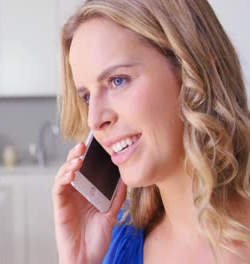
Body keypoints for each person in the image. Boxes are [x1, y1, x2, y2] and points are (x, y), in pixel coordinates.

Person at [53, 0, 250, 263]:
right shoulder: (117, 247)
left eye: (117, 80)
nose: (94, 119)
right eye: (87, 96)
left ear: (196, 73)